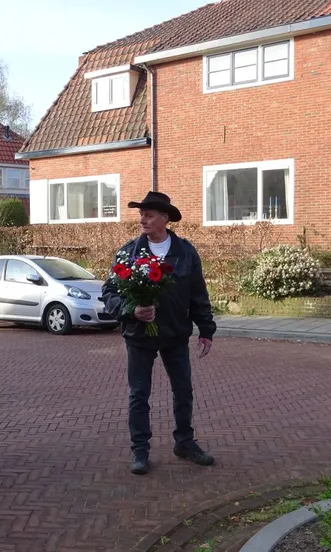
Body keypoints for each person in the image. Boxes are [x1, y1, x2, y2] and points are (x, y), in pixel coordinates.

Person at [101, 191, 217, 475]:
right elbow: (109, 293)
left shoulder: (185, 252)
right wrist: (132, 311)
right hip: (139, 336)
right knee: (139, 394)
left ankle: (184, 443)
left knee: (183, 390)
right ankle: (140, 450)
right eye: (141, 215)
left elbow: (197, 292)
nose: (143, 220)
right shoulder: (128, 253)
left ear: (165, 218)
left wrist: (206, 328)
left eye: (149, 215)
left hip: (175, 334)